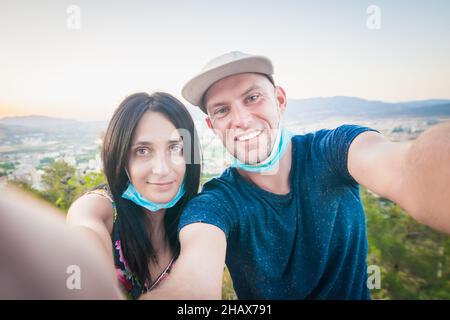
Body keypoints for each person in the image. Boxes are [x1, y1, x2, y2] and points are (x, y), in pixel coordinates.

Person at [141, 51, 450, 300]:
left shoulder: (333, 151)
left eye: (252, 98)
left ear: (280, 100)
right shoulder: (217, 203)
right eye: (222, 110)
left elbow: (406, 168)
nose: (242, 120)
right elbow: (194, 278)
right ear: (212, 127)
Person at [67, 92, 201, 299]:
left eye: (175, 148)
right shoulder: (97, 208)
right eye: (142, 151)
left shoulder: (196, 219)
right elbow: (83, 232)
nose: (162, 169)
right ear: (120, 159)